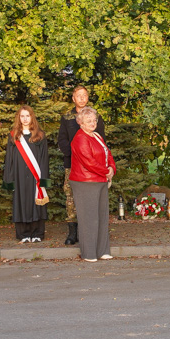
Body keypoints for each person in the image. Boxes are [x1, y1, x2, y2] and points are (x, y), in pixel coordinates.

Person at [58, 85, 106, 245]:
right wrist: (75, 156)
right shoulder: (66, 118)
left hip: (92, 165)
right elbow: (62, 141)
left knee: (91, 199)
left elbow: (100, 140)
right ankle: (73, 233)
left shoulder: (95, 116)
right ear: (73, 98)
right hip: (72, 164)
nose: (82, 98)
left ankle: (90, 233)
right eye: (78, 95)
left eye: (84, 95)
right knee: (71, 197)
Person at [69, 106, 116, 262]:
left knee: (102, 217)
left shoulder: (96, 136)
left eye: (94, 119)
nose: (92, 122)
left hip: (100, 180)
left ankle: (103, 251)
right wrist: (105, 171)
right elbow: (89, 162)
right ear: (80, 123)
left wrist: (111, 168)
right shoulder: (80, 138)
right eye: (88, 120)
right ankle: (89, 253)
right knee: (89, 218)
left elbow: (107, 154)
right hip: (85, 182)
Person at [3, 106, 49, 243]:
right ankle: (23, 234)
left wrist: (44, 180)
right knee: (21, 202)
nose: (25, 119)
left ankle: (37, 233)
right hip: (19, 176)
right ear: (18, 118)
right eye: (22, 116)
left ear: (32, 117)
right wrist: (9, 179)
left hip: (36, 177)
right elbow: (9, 159)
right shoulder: (13, 136)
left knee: (36, 203)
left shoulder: (40, 136)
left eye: (27, 115)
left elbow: (44, 158)